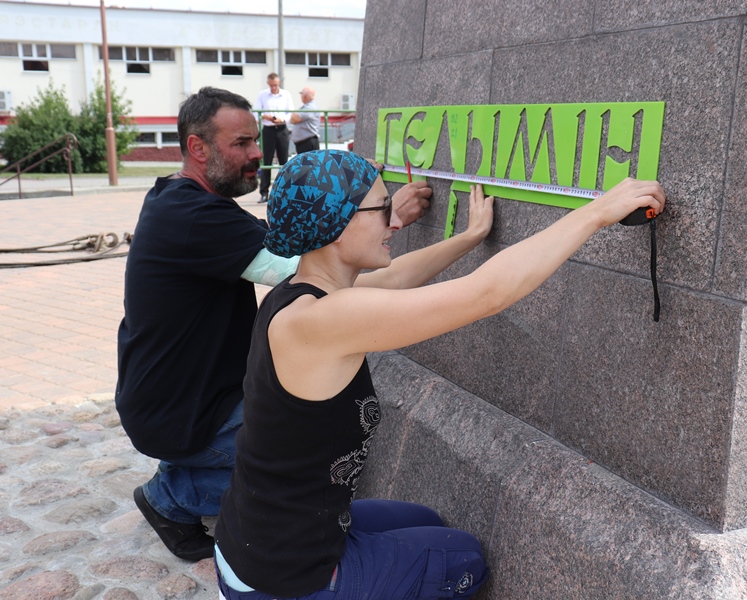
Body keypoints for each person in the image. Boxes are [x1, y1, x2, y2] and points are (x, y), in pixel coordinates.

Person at [213, 149, 666, 599]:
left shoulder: (299, 292)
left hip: (259, 537)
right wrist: (598, 213)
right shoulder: (322, 321)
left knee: (426, 522)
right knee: (464, 558)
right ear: (338, 223)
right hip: (280, 578)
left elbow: (394, 280)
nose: (395, 222)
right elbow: (486, 295)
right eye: (383, 208)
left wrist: (471, 237)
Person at [116, 88, 432, 563]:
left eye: (255, 141)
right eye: (241, 143)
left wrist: (367, 212)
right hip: (179, 412)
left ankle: (186, 470)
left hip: (179, 396)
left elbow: (294, 241)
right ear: (198, 148)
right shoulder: (193, 217)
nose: (257, 153)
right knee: (311, 452)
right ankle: (172, 496)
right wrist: (380, 216)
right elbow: (308, 269)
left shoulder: (181, 201)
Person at [253, 73, 293, 203]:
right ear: (268, 84)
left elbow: (291, 113)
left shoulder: (286, 94)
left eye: (275, 85)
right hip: (268, 130)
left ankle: (285, 192)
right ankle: (264, 192)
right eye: (271, 85)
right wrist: (265, 116)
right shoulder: (262, 95)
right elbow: (255, 112)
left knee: (284, 162)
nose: (273, 88)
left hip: (282, 129)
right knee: (266, 161)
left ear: (279, 83)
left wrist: (282, 119)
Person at [289, 86, 320, 154]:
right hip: (305, 143)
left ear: (305, 96)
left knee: (308, 164)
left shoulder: (310, 107)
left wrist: (294, 113)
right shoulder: (308, 106)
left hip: (307, 143)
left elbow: (294, 119)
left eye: (301, 94)